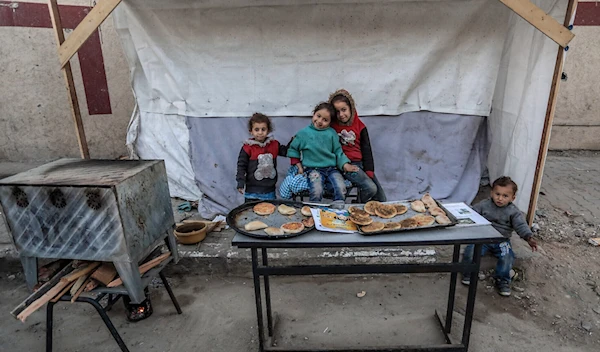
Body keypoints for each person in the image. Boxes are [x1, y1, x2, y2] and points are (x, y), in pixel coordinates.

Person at [461, 176, 538, 296]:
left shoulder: (513, 212)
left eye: (505, 196)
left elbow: (521, 226)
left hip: (501, 240)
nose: (500, 198)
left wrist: (529, 237)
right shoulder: (484, 205)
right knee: (471, 250)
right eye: (497, 194)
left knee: (507, 256)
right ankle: (468, 273)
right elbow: (472, 213)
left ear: (512, 198)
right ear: (492, 193)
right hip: (483, 238)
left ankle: (502, 280)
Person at [287, 102, 359, 202]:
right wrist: (298, 166)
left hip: (331, 169)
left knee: (341, 187)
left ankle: (338, 210)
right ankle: (315, 211)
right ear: (314, 113)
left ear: (330, 122)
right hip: (313, 169)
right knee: (317, 190)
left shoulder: (331, 133)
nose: (320, 121)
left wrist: (345, 165)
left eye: (325, 120)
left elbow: (338, 151)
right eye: (318, 116)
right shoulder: (303, 133)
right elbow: (293, 149)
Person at [328, 89, 386, 202]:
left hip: (361, 165)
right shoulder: (331, 128)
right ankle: (358, 206)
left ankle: (361, 204)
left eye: (344, 110)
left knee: (381, 199)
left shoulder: (360, 126)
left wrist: (369, 170)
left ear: (351, 108)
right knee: (371, 188)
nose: (341, 115)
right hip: (346, 165)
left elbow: (367, 150)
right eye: (337, 111)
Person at [236, 113, 287, 202]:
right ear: (251, 131)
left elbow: (287, 152)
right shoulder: (247, 147)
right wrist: (240, 182)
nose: (260, 132)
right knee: (251, 212)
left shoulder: (274, 144)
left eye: (263, 129)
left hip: (269, 191)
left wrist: (295, 142)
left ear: (268, 130)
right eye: (256, 129)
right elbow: (241, 166)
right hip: (252, 191)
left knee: (268, 212)